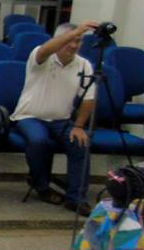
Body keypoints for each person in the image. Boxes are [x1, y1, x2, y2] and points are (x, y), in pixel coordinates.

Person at [11, 21, 98, 216]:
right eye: (71, 40)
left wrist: (78, 126)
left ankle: (76, 198)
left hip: (61, 120)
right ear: (58, 40)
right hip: (29, 116)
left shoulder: (84, 65)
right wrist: (76, 31)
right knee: (39, 141)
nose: (75, 45)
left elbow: (89, 99)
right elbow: (46, 50)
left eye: (79, 41)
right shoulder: (41, 55)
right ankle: (41, 186)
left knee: (80, 143)